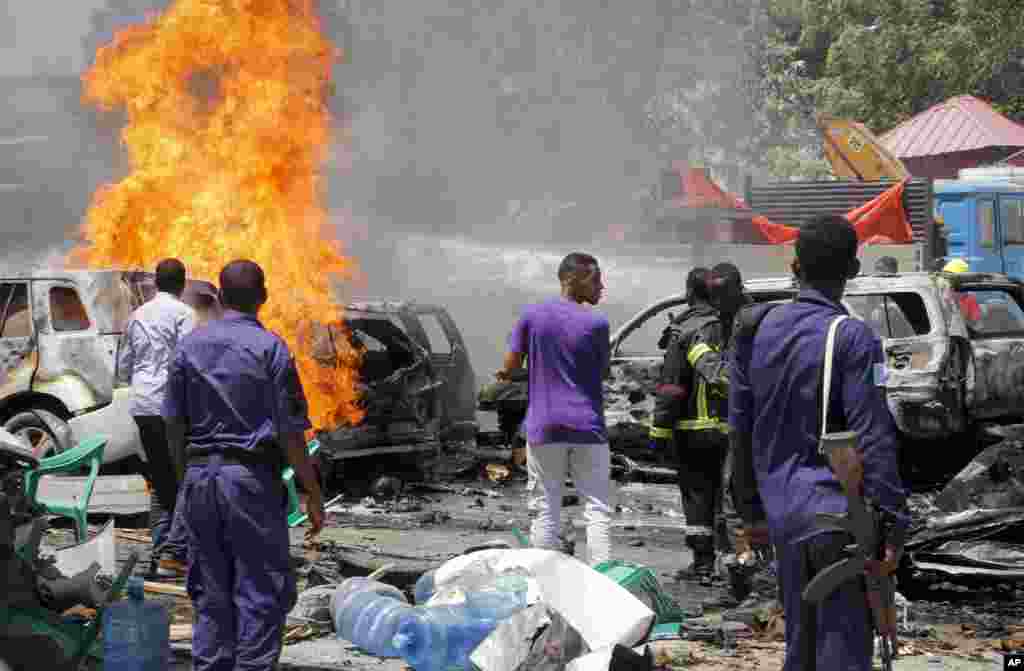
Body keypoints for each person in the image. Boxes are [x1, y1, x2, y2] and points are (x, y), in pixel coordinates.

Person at [730, 214, 910, 671]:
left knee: (801, 648)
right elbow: (873, 433)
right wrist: (891, 519)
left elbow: (740, 425)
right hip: (837, 518)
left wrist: (749, 510)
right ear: (852, 269)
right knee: (843, 653)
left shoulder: (756, 331)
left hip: (782, 516)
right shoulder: (853, 336)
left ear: (794, 265)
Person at [164, 260, 324, 671]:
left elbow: (173, 424)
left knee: (210, 593)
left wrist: (187, 482)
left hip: (201, 480)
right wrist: (312, 492)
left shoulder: (189, 346)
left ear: (219, 296)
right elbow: (290, 434)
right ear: (263, 297)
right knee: (259, 592)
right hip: (250, 483)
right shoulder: (271, 348)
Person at [497, 252, 612, 565]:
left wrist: (536, 369)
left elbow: (508, 368)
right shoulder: (598, 323)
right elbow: (603, 372)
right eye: (595, 279)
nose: (601, 286)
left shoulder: (532, 315)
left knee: (546, 507)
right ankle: (604, 582)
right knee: (597, 508)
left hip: (544, 426)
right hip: (588, 427)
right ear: (570, 278)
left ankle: (543, 586)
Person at [650, 266, 730, 582]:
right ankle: (734, 563)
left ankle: (703, 564)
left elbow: (672, 386)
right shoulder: (730, 324)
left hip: (693, 430)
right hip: (729, 428)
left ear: (689, 292)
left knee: (698, 497)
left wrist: (658, 431)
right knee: (727, 497)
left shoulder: (684, 330)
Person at [117, 258, 196, 578]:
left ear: (157, 283)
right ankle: (172, 554)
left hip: (142, 404)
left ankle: (160, 552)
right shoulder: (184, 314)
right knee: (186, 480)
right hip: (171, 406)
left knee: (161, 480)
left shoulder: (137, 316)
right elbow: (189, 361)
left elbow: (123, 368)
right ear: (183, 284)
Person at [942, 258, 982, 322]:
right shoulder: (939, 297)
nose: (945, 280)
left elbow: (977, 323)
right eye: (945, 277)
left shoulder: (969, 299)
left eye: (948, 278)